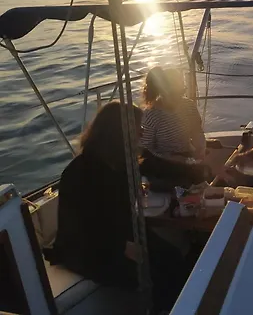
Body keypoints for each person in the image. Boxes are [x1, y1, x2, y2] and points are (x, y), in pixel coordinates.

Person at [45, 101, 187, 313]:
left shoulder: (122, 162)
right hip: (89, 250)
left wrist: (202, 172)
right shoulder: (81, 172)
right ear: (120, 132)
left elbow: (156, 165)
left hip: (122, 234)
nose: (142, 133)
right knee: (155, 274)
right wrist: (122, 246)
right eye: (138, 128)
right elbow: (83, 227)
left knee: (173, 257)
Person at [140, 67, 210, 189]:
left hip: (187, 156)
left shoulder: (188, 106)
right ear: (162, 92)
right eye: (174, 93)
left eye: (182, 91)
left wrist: (200, 148)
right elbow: (146, 149)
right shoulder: (151, 115)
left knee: (205, 172)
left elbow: (197, 132)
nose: (179, 96)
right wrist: (173, 158)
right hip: (162, 162)